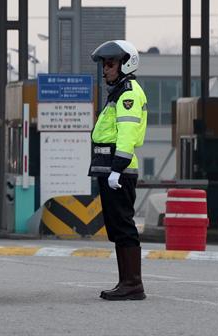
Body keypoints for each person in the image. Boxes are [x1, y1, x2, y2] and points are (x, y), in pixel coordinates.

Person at [89, 40, 148, 301]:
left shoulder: (128, 95)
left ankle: (133, 284)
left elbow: (126, 136)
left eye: (110, 64)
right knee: (116, 227)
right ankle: (126, 282)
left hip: (118, 172)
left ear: (126, 63)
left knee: (123, 226)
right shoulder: (118, 92)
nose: (105, 70)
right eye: (104, 64)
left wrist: (116, 170)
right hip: (110, 171)